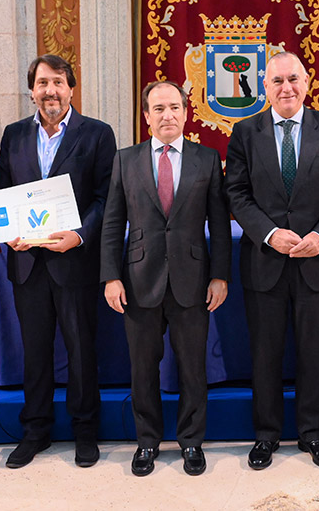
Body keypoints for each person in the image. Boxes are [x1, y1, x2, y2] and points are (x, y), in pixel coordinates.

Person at [225, 51, 319, 471]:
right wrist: (268, 233)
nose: (286, 88)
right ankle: (266, 435)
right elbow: (236, 193)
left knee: (313, 353)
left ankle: (313, 434)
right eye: (277, 81)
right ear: (265, 87)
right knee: (264, 354)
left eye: (293, 80)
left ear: (307, 82)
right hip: (265, 262)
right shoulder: (245, 131)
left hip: (315, 263)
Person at [99, 80, 232, 477]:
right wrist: (110, 276)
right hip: (138, 280)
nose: (167, 115)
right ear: (146, 117)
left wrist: (220, 276)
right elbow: (111, 223)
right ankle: (147, 442)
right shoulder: (126, 159)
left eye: (174, 107)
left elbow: (221, 226)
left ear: (186, 112)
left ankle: (191, 442)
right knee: (143, 368)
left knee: (193, 367)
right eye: (158, 109)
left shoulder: (207, 159)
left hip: (193, 280)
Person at [0, 54, 116, 469]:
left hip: (75, 261)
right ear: (31, 90)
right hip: (27, 263)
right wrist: (6, 231)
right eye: (42, 83)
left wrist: (81, 235)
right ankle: (36, 431)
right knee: (35, 351)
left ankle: (86, 431)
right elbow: (3, 191)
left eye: (58, 82)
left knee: (82, 350)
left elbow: (106, 198)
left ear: (71, 88)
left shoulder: (98, 134)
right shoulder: (12, 136)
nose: (50, 90)